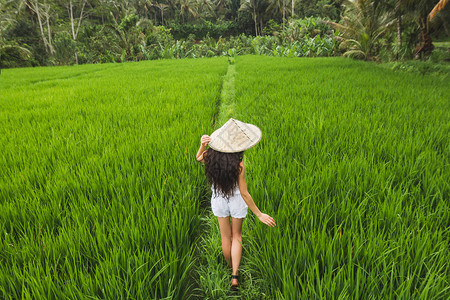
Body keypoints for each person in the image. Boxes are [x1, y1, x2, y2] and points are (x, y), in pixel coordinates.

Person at [196, 118, 276, 289]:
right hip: (236, 201)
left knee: (225, 237)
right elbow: (245, 194)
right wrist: (259, 214)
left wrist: (203, 145)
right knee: (236, 236)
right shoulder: (238, 164)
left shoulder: (210, 156)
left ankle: (228, 265)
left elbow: (198, 158)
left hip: (218, 200)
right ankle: (235, 275)